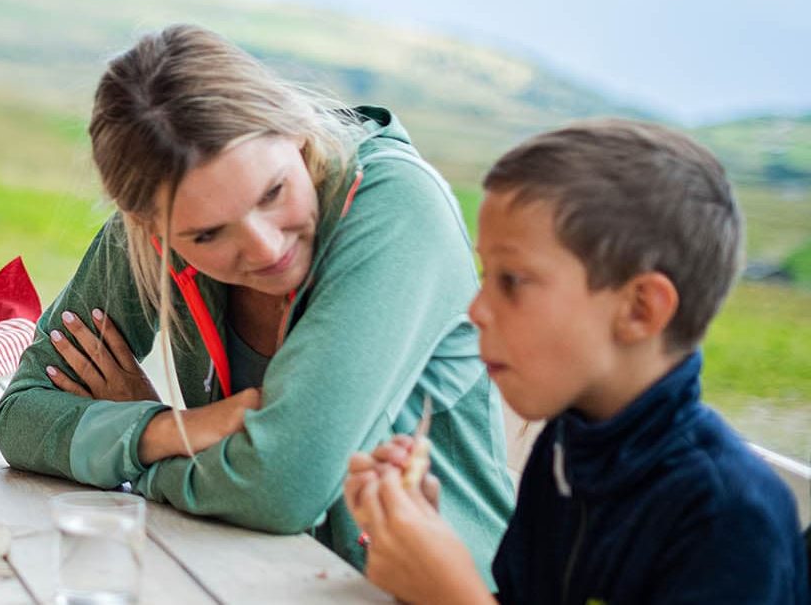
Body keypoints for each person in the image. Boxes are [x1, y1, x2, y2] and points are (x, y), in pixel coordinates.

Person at [0, 24, 513, 574]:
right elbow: (21, 415)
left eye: (274, 192)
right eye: (208, 236)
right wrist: (171, 429)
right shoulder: (156, 230)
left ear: (295, 131)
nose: (266, 248)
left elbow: (279, 489)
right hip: (241, 574)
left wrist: (139, 457)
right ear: (151, 228)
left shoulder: (397, 208)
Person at [345, 120, 809, 603]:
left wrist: (453, 596)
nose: (476, 309)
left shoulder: (726, 518)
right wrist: (415, 543)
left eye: (513, 280)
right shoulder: (566, 449)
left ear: (639, 309)